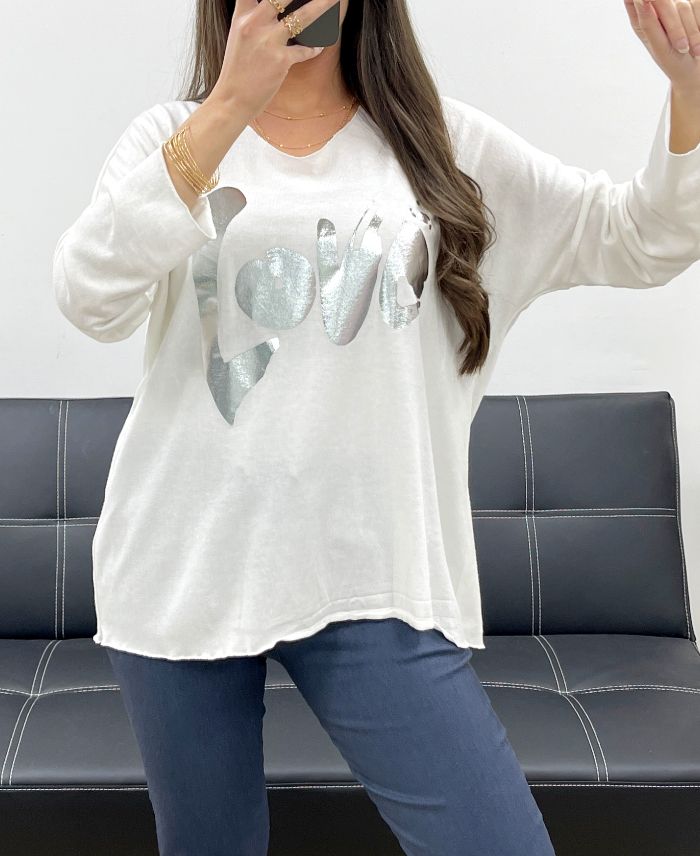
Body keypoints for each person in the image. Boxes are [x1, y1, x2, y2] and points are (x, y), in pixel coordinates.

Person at [51, 0, 700, 853]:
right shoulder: (173, 138)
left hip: (372, 576)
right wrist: (229, 107)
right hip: (183, 566)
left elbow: (641, 236)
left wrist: (689, 88)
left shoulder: (444, 148)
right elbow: (88, 297)